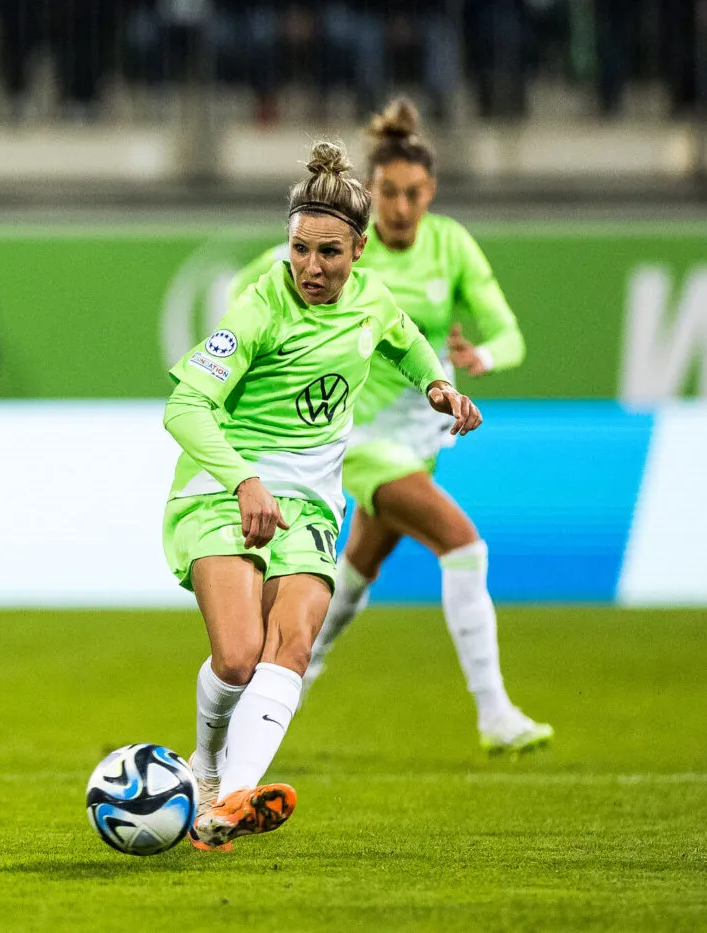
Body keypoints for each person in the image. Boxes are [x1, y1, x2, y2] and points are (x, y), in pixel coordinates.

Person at [163, 139, 481, 850]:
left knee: (296, 641)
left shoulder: (372, 299)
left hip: (308, 505)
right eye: (300, 250)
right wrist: (244, 478)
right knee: (240, 657)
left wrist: (437, 383)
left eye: (330, 253)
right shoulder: (257, 310)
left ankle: (230, 801)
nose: (312, 267)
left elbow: (404, 339)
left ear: (359, 252)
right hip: (223, 490)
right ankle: (207, 764)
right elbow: (184, 409)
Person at [253, 98, 546, 757]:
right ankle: (494, 711)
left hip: (421, 435)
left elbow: (508, 332)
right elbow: (254, 289)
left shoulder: (452, 245)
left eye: (414, 194)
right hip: (354, 432)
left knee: (358, 564)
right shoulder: (335, 247)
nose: (402, 207)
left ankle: (294, 666)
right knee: (464, 545)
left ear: (430, 192)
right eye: (389, 192)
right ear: (371, 193)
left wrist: (482, 358)